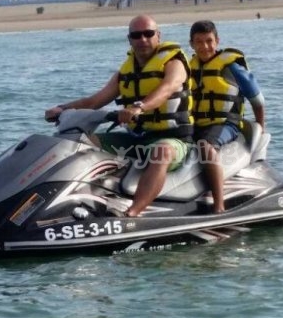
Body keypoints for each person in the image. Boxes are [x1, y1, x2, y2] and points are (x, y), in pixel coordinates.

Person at [44, 15, 193, 217]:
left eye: (148, 34)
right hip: (135, 139)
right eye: (136, 35)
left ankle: (133, 212)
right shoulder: (125, 72)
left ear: (158, 35)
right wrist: (62, 109)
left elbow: (166, 90)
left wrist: (139, 107)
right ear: (129, 39)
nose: (143, 39)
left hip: (174, 138)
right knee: (82, 141)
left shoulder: (174, 63)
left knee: (161, 152)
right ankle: (64, 200)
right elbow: (94, 102)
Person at [188, 20, 265, 213]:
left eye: (209, 41)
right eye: (199, 42)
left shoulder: (232, 67)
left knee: (205, 146)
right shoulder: (189, 67)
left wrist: (260, 128)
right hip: (196, 123)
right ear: (191, 44)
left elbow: (257, 100)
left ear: (217, 41)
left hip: (226, 123)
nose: (205, 46)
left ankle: (219, 206)